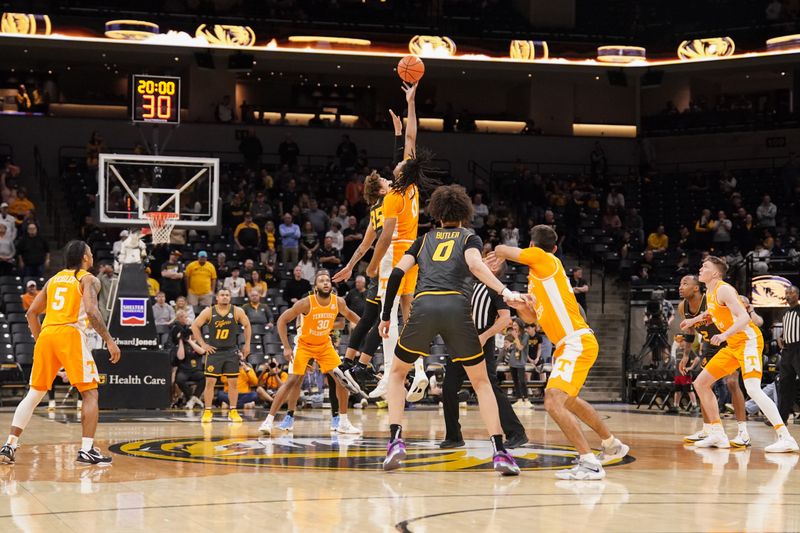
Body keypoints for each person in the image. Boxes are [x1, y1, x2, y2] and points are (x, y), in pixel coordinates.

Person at [377, 185, 521, 475]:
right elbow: (476, 266)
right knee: (481, 383)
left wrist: (385, 315)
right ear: (464, 213)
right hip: (456, 307)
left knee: (396, 373)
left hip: (424, 306)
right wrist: (506, 292)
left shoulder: (422, 240)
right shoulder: (470, 237)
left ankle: (395, 441)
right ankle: (500, 451)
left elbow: (395, 273)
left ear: (437, 214)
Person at [492, 225, 630, 480]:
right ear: (554, 246)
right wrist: (519, 307)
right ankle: (611, 445)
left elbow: (503, 249)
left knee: (553, 400)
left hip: (575, 341)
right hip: (568, 344)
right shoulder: (539, 279)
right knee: (568, 401)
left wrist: (499, 252)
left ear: (533, 247)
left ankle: (588, 463)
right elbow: (533, 319)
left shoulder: (545, 259)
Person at [0, 240, 121, 465]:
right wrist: (109, 341)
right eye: (91, 253)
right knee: (90, 393)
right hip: (70, 334)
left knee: (34, 394)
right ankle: (86, 450)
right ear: (85, 258)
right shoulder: (88, 279)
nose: (93, 256)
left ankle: (9, 444)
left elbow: (31, 313)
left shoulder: (53, 280)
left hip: (47, 334)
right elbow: (93, 311)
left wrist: (40, 342)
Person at [679, 257, 798, 452]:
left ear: (716, 273)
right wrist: (693, 321)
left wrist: (723, 334)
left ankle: (785, 437)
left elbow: (743, 317)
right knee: (700, 383)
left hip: (749, 342)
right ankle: (717, 434)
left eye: (705, 267)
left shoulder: (724, 289)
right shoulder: (710, 291)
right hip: (733, 345)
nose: (700, 269)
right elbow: (712, 312)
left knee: (752, 389)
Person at [367, 82, 437, 402]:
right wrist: (411, 102)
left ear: (398, 174)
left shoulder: (393, 197)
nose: (395, 163)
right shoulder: (411, 188)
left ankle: (389, 375)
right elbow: (411, 139)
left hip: (396, 252)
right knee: (408, 313)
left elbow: (384, 235)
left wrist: (371, 263)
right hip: (415, 251)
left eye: (397, 165)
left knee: (388, 312)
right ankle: (420, 371)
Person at [258, 270, 361, 435]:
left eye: (328, 280)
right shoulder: (306, 303)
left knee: (342, 379)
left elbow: (350, 315)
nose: (326, 283)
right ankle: (268, 421)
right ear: (315, 287)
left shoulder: (338, 302)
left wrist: (368, 327)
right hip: (304, 345)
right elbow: (282, 320)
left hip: (324, 345)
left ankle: (343, 422)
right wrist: (286, 347)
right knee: (292, 381)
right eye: (321, 281)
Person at [440, 257, 528, 449]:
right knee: (448, 388)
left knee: (489, 388)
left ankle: (516, 433)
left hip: (482, 341)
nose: (484, 260)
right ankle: (454, 436)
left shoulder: (498, 289)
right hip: (459, 340)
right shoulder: (466, 282)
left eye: (490, 260)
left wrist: (484, 336)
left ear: (496, 268)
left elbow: (505, 319)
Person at [677, 275, 749, 446]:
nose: (680, 287)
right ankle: (708, 430)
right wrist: (686, 355)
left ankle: (743, 431)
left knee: (732, 382)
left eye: (685, 283)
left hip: (727, 341)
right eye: (680, 283)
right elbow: (690, 332)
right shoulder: (682, 306)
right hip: (710, 346)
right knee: (702, 384)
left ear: (696, 288)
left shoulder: (709, 299)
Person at [191, 288, 252, 424]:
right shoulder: (209, 311)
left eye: (227, 295)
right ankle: (207, 411)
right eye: (222, 295)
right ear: (217, 298)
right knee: (210, 382)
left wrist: (247, 344)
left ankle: (233, 411)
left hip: (231, 351)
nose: (225, 297)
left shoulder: (237, 311)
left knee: (233, 383)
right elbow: (194, 326)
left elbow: (247, 325)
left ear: (230, 298)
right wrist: (202, 344)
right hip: (214, 351)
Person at [171, 310, 206, 410]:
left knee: (204, 378)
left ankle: (193, 398)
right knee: (179, 380)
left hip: (196, 370)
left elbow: (202, 351)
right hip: (184, 370)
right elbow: (180, 357)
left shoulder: (199, 342)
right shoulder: (183, 342)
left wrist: (190, 341)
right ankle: (192, 398)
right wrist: (181, 340)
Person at [777, 285, 800, 423]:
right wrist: (782, 339)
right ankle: (781, 418)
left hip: (798, 348)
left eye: (791, 293)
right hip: (787, 351)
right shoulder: (785, 313)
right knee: (784, 385)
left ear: (797, 296)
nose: (788, 295)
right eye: (786, 293)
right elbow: (787, 331)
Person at [506, 320, 531, 405]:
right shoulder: (513, 335)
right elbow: (512, 346)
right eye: (513, 325)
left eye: (515, 325)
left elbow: (520, 347)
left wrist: (516, 337)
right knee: (515, 381)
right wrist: (509, 345)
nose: (514, 327)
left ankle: (526, 399)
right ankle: (519, 399)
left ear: (520, 325)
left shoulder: (525, 335)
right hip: (513, 360)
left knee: (522, 381)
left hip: (520, 361)